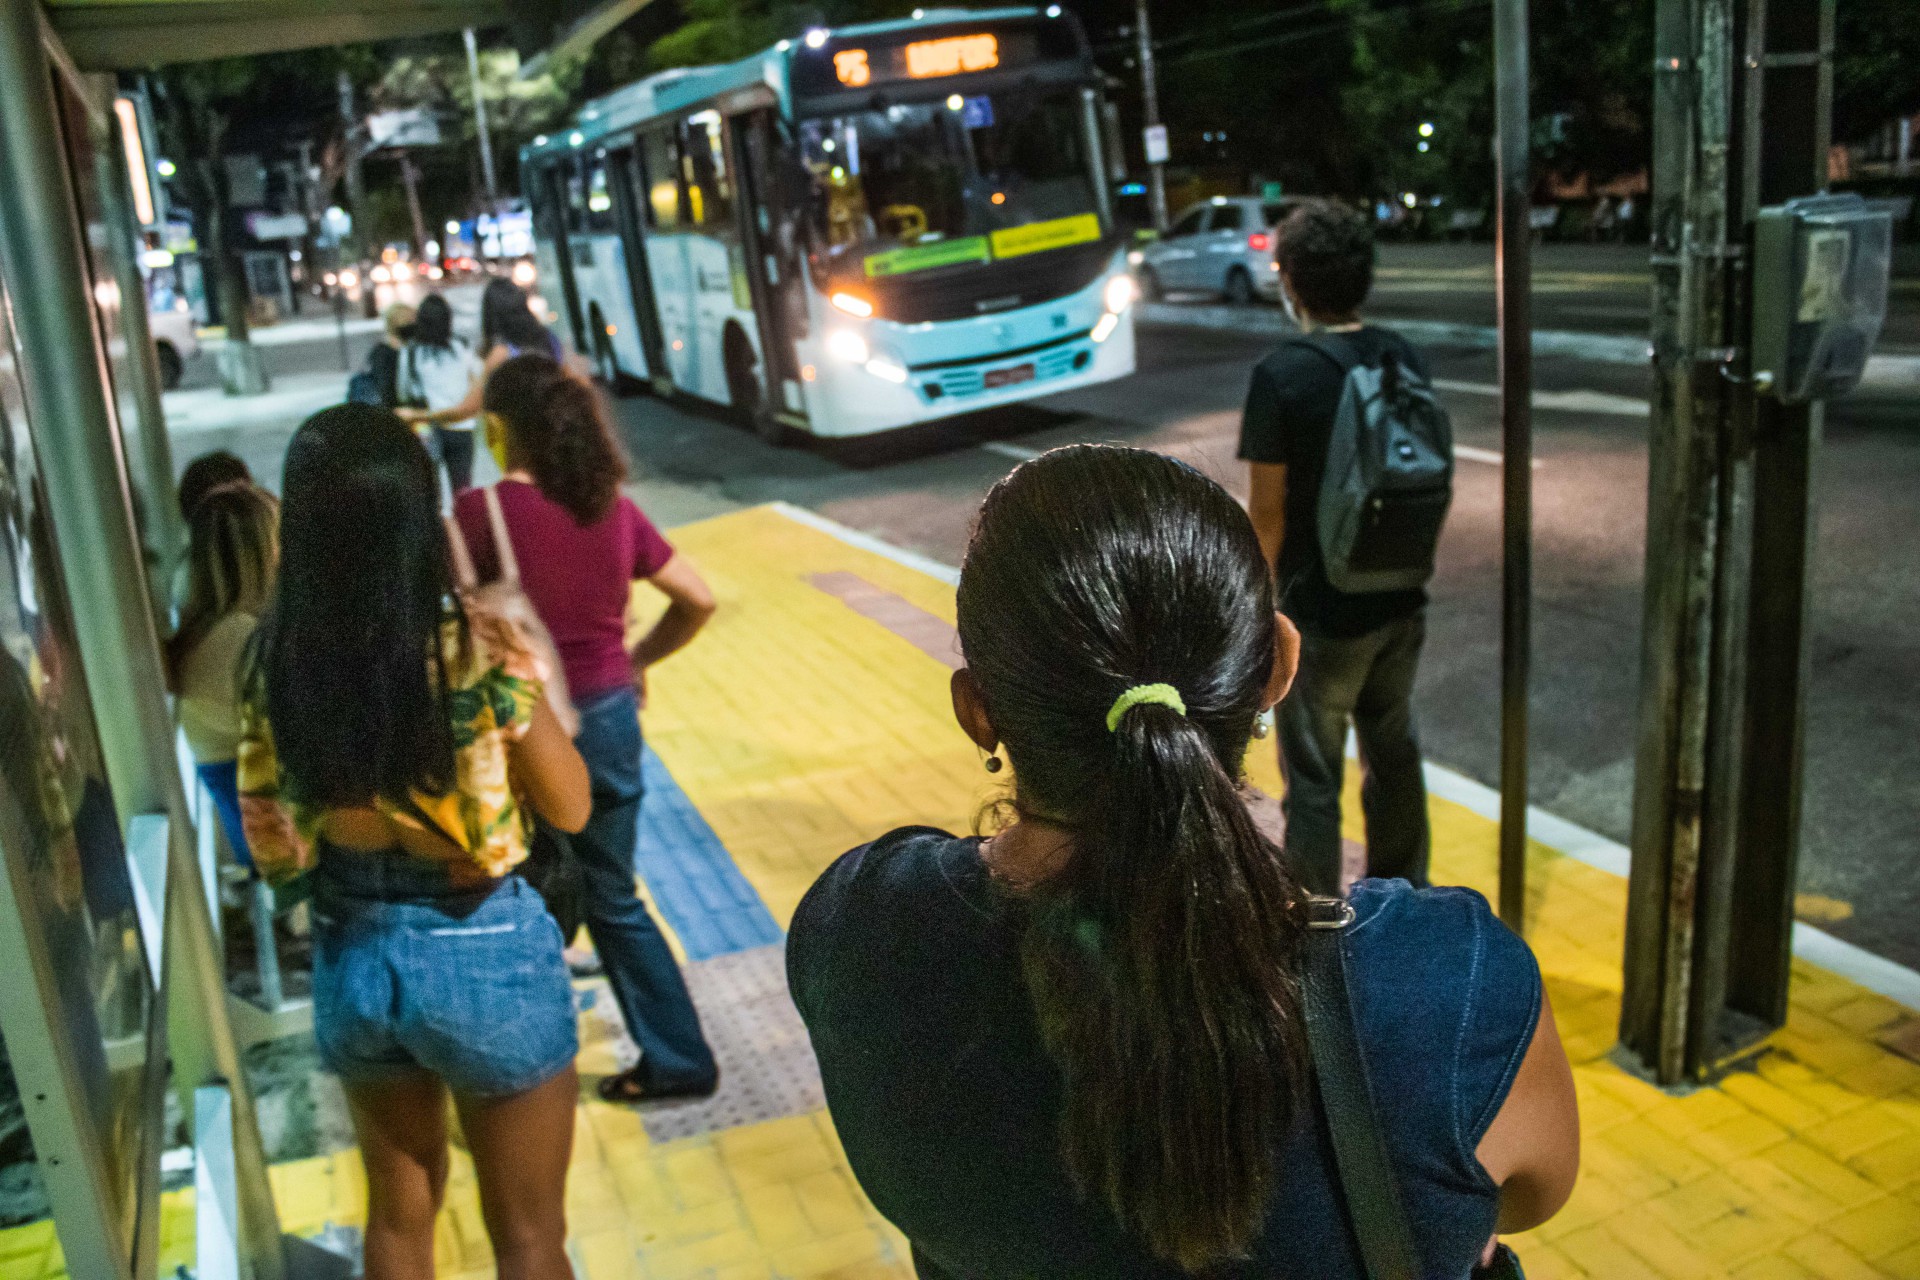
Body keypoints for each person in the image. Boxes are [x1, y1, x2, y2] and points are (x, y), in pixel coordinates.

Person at [788, 445, 1579, 1278]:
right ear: (1277, 665)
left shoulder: (862, 929)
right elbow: (1530, 1195)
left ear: (978, 710)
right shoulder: (1446, 985)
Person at [238, 403, 591, 1280]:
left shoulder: (277, 661)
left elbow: (274, 846)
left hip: (353, 953)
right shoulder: (474, 651)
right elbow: (573, 805)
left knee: (397, 1220)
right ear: (417, 518)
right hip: (484, 946)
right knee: (529, 1237)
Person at [453, 353, 720, 1103]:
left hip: (526, 730)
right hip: (607, 718)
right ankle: (679, 1059)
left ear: (502, 430)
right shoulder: (611, 506)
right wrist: (637, 658)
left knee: (523, 891)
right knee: (613, 893)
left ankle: (525, 1073)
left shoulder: (481, 514)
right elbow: (696, 599)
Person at [1241, 198, 1437, 896]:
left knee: (1315, 781)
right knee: (1394, 754)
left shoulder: (1282, 375)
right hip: (1401, 599)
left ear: (1291, 280)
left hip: (1322, 612)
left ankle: (1318, 926)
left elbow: (1267, 518)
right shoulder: (1400, 355)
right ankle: (1404, 901)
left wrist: (1255, 615)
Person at [167, 479, 278, 869]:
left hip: (245, 824)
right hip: (270, 830)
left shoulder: (204, 629)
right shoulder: (241, 637)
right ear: (260, 552)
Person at [399, 279, 561, 439]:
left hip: (522, 439)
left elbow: (466, 410)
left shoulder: (501, 354)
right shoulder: (550, 339)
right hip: (554, 429)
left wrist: (416, 416)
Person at [400, 294, 484, 492]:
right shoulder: (462, 346)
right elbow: (478, 378)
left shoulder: (411, 352)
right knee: (462, 488)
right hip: (462, 425)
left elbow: (404, 391)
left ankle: (439, 520)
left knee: (430, 489)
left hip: (426, 428)